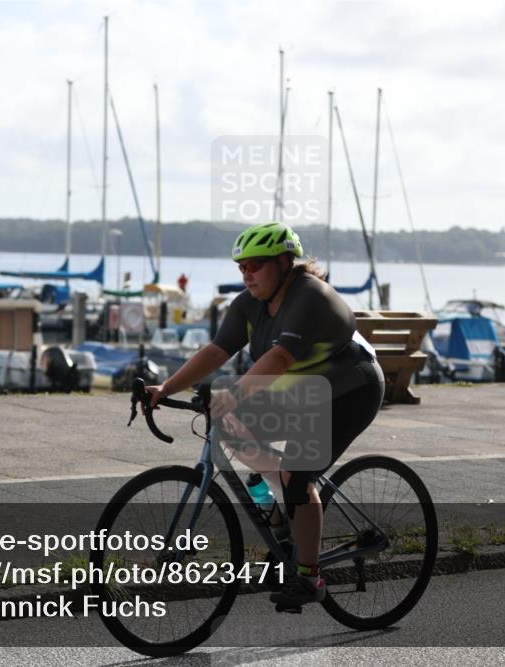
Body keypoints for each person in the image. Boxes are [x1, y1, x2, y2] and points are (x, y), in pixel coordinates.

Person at [146, 221, 384, 607]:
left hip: (351, 389)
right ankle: (280, 510)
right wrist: (165, 388)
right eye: (241, 267)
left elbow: (280, 357)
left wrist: (235, 393)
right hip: (303, 389)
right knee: (230, 426)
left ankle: (310, 577)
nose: (247, 273)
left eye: (255, 265)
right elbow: (217, 351)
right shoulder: (248, 304)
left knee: (296, 477)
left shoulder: (310, 296)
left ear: (284, 262)